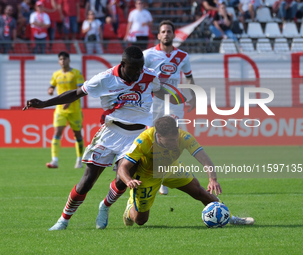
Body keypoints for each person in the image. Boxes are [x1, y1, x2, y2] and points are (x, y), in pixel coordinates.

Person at [23, 46, 179, 231]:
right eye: (134, 69)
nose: (138, 73)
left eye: (140, 68)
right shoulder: (104, 79)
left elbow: (161, 91)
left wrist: (172, 110)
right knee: (87, 180)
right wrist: (44, 103)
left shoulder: (149, 75)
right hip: (111, 132)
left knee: (123, 178)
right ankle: (63, 220)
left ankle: (104, 206)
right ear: (123, 64)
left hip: (137, 136)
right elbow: (76, 93)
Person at [119, 116, 255, 226]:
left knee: (200, 192)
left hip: (172, 168)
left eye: (176, 138)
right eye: (171, 140)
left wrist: (212, 179)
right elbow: (123, 167)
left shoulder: (184, 137)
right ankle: (129, 209)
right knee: (140, 220)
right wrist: (129, 180)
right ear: (159, 136)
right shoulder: (143, 141)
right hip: (147, 175)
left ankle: (231, 218)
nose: (175, 143)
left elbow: (205, 159)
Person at [143, 20, 196, 195]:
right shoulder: (148, 55)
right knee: (153, 138)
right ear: (158, 35)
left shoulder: (183, 56)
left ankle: (164, 174)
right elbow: (140, 77)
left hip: (175, 102)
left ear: (174, 35)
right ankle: (154, 173)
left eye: (169, 31)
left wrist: (193, 95)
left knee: (173, 137)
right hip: (155, 101)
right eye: (163, 31)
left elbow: (189, 77)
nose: (166, 34)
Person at [46, 51, 85, 169]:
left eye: (65, 59)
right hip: (60, 109)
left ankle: (79, 160)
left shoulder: (76, 73)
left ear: (69, 60)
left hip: (74, 109)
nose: (63, 61)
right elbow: (51, 85)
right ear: (59, 61)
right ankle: (54, 161)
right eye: (61, 59)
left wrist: (69, 101)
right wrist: (50, 90)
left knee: (77, 134)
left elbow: (80, 91)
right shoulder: (56, 74)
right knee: (57, 133)